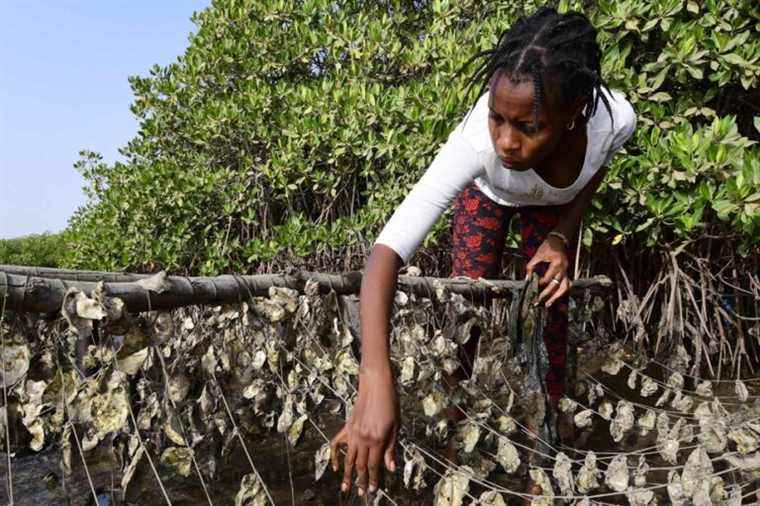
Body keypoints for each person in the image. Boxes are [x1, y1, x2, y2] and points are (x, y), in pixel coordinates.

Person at [329, 5, 637, 498]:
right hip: (488, 195)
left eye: (528, 126)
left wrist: (561, 235)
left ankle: (545, 448)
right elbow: (386, 250)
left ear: (575, 110)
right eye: (498, 118)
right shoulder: (477, 143)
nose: (506, 141)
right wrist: (374, 378)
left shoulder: (614, 120)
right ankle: (457, 429)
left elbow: (593, 171)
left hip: (552, 208)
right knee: (465, 313)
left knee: (551, 312)